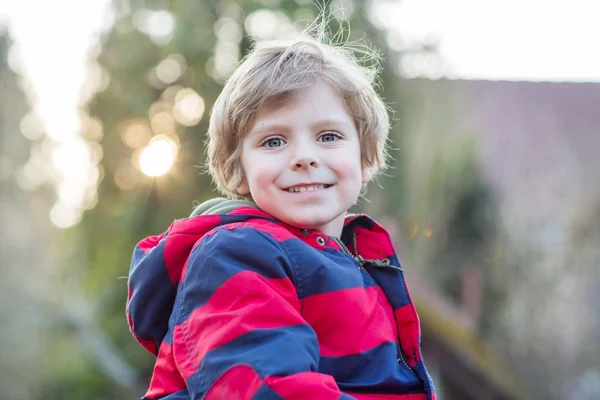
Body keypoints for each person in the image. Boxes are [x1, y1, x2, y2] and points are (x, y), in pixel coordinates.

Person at [126, 18, 436, 400]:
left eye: (328, 136)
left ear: (366, 157)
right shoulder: (233, 256)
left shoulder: (355, 261)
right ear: (237, 169)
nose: (304, 157)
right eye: (274, 141)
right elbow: (268, 388)